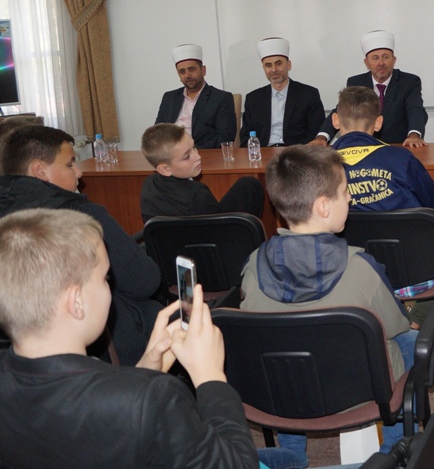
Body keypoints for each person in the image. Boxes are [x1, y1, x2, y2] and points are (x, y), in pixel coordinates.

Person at [0, 208, 259, 468]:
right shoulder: (156, 398)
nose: (110, 287)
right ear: (76, 301)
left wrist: (143, 371)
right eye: (105, 278)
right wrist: (211, 377)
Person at [239, 145, 414, 468]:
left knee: (281, 340)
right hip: (355, 395)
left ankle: (292, 452)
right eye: (345, 192)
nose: (350, 198)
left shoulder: (253, 265)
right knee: (411, 341)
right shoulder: (359, 267)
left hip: (282, 394)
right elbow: (395, 325)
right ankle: (393, 450)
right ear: (323, 206)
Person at [0, 125, 161, 365]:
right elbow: (145, 282)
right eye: (70, 164)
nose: (79, 172)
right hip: (104, 347)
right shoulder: (82, 215)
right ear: (40, 170)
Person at [331, 86, 434, 325]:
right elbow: (431, 207)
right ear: (378, 123)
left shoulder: (319, 165)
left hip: (350, 271)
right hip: (413, 268)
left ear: (335, 120)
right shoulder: (401, 159)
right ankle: (416, 321)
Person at [312, 30, 427, 148]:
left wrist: (414, 135)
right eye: (375, 58)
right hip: (363, 148)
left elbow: (415, 109)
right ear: (366, 62)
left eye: (386, 57)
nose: (381, 63)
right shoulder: (356, 82)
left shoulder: (409, 82)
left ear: (394, 60)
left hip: (398, 146)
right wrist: (322, 137)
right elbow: (340, 111)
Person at [139, 123, 264, 223]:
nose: (197, 156)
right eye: (186, 156)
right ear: (165, 169)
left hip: (171, 245)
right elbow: (220, 231)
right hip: (208, 243)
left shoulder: (149, 183)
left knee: (247, 185)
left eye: (194, 147)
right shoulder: (197, 193)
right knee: (251, 186)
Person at [239, 37, 325, 146]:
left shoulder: (308, 94)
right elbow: (246, 137)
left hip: (297, 152)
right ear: (263, 68)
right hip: (264, 151)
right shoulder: (253, 99)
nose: (274, 70)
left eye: (278, 64)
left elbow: (316, 133)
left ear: (288, 65)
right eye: (268, 65)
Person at [154, 44, 237, 149]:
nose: (187, 75)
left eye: (191, 69)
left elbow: (225, 137)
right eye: (182, 71)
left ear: (203, 70)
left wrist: (190, 151)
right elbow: (158, 133)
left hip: (202, 154)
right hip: (170, 154)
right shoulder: (169, 98)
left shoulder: (221, 98)